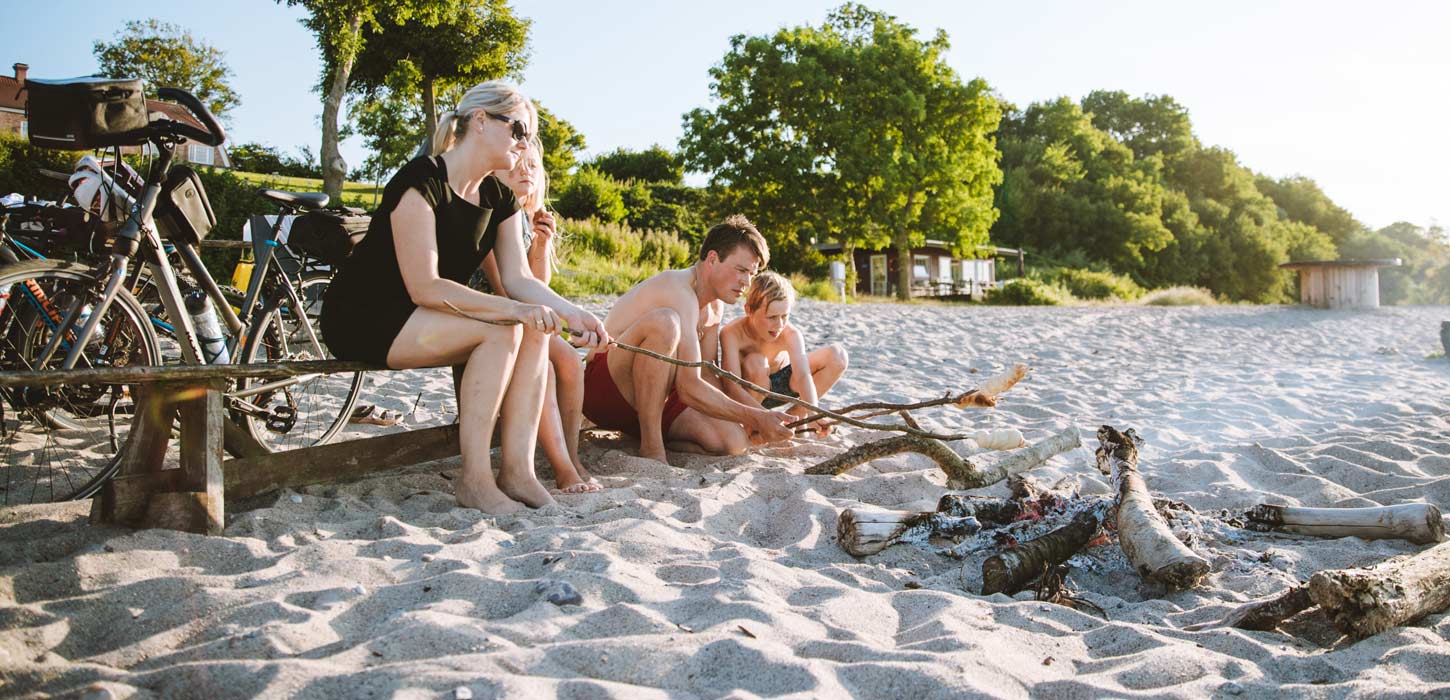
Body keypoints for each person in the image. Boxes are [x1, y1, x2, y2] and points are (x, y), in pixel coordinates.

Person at [320, 80, 609, 514]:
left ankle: (518, 472)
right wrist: (516, 311)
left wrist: (573, 312)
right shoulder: (422, 180)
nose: (525, 144)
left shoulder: (499, 198)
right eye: (518, 131)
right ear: (480, 122)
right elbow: (427, 286)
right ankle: (475, 480)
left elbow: (517, 279)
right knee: (505, 330)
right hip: (367, 316)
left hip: (424, 317)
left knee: (528, 327)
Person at [582, 216, 794, 464]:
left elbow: (706, 375)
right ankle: (652, 447)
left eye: (752, 273)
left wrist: (755, 418)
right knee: (666, 323)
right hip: (608, 389)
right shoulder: (677, 288)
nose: (747, 282)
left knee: (734, 443)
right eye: (741, 270)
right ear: (712, 259)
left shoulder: (715, 307)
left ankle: (647, 435)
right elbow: (689, 386)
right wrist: (755, 418)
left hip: (657, 397)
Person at [474, 145, 599, 494]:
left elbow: (536, 287)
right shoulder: (490, 216)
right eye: (515, 164)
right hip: (492, 313)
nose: (525, 171)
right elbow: (507, 289)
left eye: (532, 165)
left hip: (521, 315)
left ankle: (571, 456)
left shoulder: (527, 219)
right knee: (542, 361)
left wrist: (541, 246)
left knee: (572, 362)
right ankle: (562, 468)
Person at [719, 271, 848, 433]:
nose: (779, 324)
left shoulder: (790, 334)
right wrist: (764, 416)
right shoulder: (731, 333)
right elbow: (731, 386)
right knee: (756, 362)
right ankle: (754, 426)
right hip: (750, 395)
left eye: (785, 316)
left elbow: (802, 375)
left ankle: (795, 415)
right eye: (772, 317)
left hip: (782, 387)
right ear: (749, 310)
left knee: (838, 355)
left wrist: (813, 413)